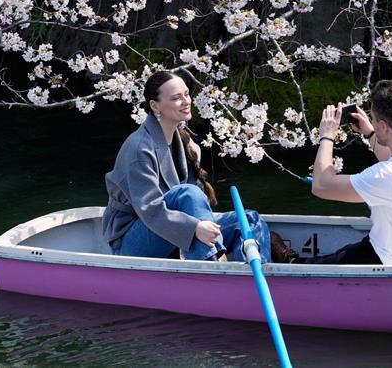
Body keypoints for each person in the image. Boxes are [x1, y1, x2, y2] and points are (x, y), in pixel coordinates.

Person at [103, 70, 272, 262]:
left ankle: (248, 276)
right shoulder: (139, 149)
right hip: (134, 240)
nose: (186, 101)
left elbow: (196, 205)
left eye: (186, 94)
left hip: (173, 231)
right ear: (155, 106)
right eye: (176, 98)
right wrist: (194, 228)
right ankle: (215, 267)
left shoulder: (184, 142)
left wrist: (198, 226)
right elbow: (151, 210)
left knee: (249, 221)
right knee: (187, 193)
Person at [299, 79, 392, 265]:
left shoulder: (387, 176)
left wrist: (327, 135)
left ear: (384, 126)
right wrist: (371, 133)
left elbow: (321, 185)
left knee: (312, 265)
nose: (370, 120)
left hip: (390, 262)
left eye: (372, 118)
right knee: (346, 251)